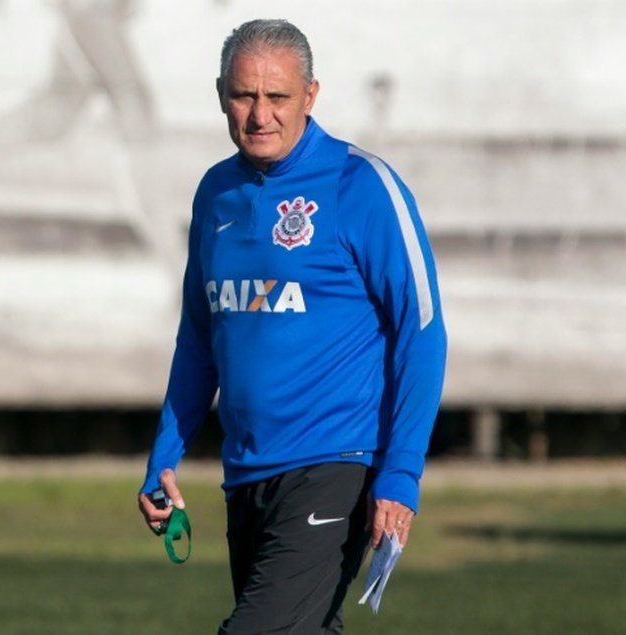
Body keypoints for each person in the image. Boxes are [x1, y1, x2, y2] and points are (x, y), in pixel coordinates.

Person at [137, 18, 447, 634]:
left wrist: (401, 475)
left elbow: (423, 332)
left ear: (310, 95)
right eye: (243, 95)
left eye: (277, 96)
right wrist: (164, 455)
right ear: (221, 93)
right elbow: (199, 340)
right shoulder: (215, 193)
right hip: (246, 472)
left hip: (336, 466)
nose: (259, 114)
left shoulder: (361, 185)